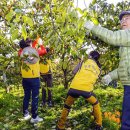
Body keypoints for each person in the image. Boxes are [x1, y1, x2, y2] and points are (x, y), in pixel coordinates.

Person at [84, 10, 130, 130]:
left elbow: (113, 37)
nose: (123, 21)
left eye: (127, 18)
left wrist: (93, 27)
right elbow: (125, 68)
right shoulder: (125, 44)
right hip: (128, 85)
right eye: (122, 19)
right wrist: (111, 76)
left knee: (127, 122)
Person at [56, 51, 103, 130]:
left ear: (90, 56)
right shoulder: (99, 68)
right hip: (86, 91)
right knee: (95, 104)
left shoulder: (83, 61)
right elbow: (95, 79)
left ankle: (60, 126)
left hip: (74, 88)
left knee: (67, 106)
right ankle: (98, 125)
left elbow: (74, 72)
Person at [18, 37, 47, 123]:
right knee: (35, 97)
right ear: (29, 44)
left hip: (25, 78)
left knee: (26, 96)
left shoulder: (20, 52)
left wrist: (35, 41)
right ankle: (34, 117)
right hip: (34, 78)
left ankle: (26, 114)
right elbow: (44, 51)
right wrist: (41, 44)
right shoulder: (36, 52)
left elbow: (29, 47)